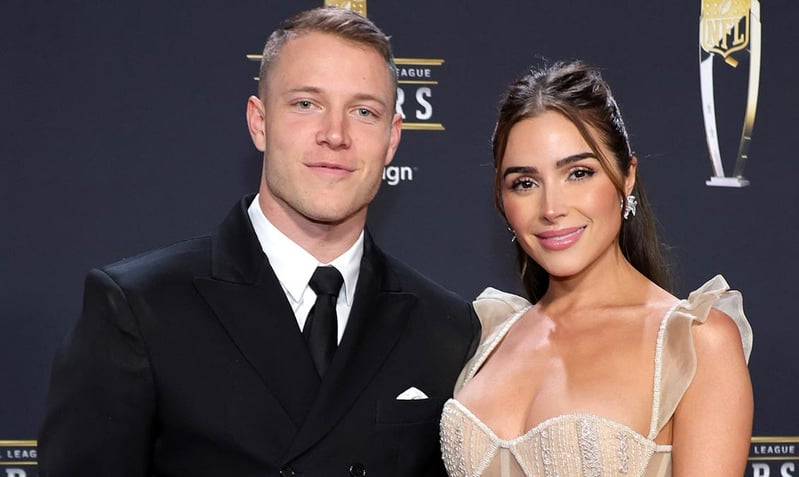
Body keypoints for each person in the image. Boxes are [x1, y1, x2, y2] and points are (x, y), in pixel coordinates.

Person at [38, 7, 479, 477]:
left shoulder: (445, 327)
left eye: (364, 111)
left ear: (392, 140)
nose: (335, 134)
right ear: (259, 122)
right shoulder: (139, 308)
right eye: (306, 104)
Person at [440, 61, 753, 476]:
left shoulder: (695, 343)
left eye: (578, 173)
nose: (552, 209)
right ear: (502, 198)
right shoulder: (487, 337)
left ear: (626, 178)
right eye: (525, 183)